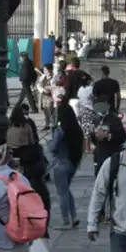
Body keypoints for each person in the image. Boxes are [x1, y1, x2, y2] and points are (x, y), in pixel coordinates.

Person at [50, 98, 85, 229]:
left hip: (61, 161)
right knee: (66, 190)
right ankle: (73, 216)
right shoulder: (77, 129)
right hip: (73, 162)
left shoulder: (61, 130)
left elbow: (53, 147)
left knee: (62, 192)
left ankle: (65, 220)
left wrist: (51, 146)